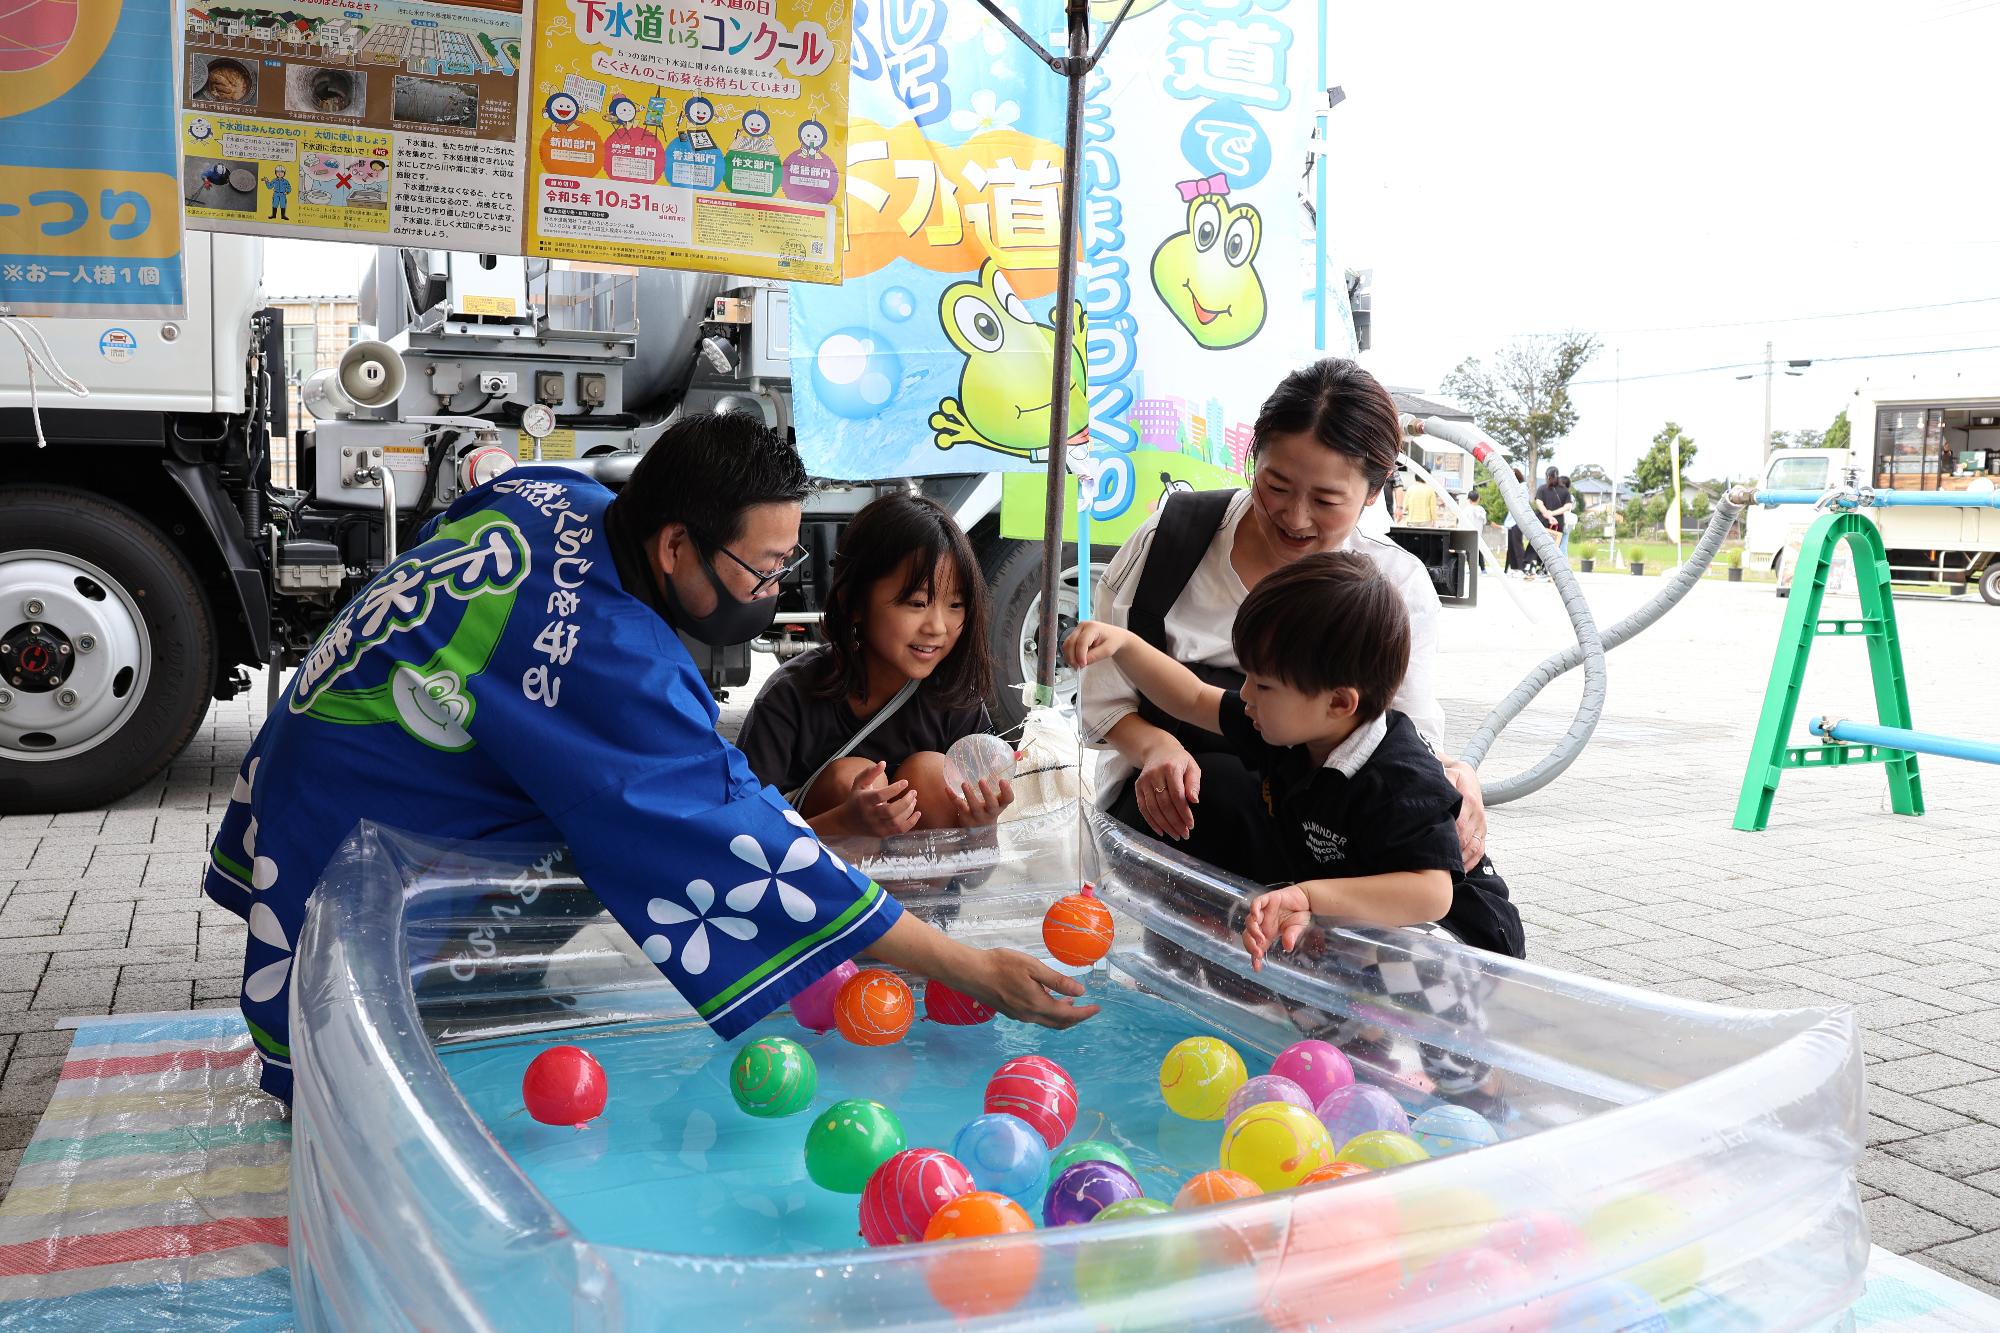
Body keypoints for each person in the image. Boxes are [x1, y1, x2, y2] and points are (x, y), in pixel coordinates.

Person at [205, 415, 1094, 1104]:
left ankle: (465, 992)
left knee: (608, 826)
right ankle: (431, 1009)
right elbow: (745, 845)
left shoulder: (554, 492)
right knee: (361, 1064)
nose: (772, 592)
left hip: (315, 746)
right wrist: (972, 967)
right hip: (349, 812)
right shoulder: (616, 663)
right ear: (675, 547)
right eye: (762, 570)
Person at [1080, 358, 1487, 887]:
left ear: (1372, 491)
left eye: (1326, 500)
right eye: (1275, 485)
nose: (1295, 518)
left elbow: (1404, 736)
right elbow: (1110, 696)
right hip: (1175, 811)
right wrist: (1155, 745)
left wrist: (1454, 776)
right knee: (1223, 786)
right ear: (1253, 459)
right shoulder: (1171, 542)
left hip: (1325, 836)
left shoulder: (1394, 585)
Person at [1067, 553, 1522, 960]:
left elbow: (1431, 892)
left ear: (1340, 703)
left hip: (1460, 939)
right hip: (1370, 921)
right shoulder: (1290, 728)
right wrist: (1124, 645)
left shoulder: (1396, 775)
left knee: (1388, 964)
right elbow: (1191, 696)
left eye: (1263, 685)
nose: (1244, 694)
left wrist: (1307, 896)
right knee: (1311, 955)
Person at [737, 492, 1013, 837]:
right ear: (853, 600)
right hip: (816, 885)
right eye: (916, 602)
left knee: (933, 773)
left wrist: (980, 828)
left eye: (955, 604)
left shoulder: (956, 700)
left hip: (924, 888)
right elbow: (741, 839)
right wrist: (840, 826)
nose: (937, 627)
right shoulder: (790, 696)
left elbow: (975, 879)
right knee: (851, 779)